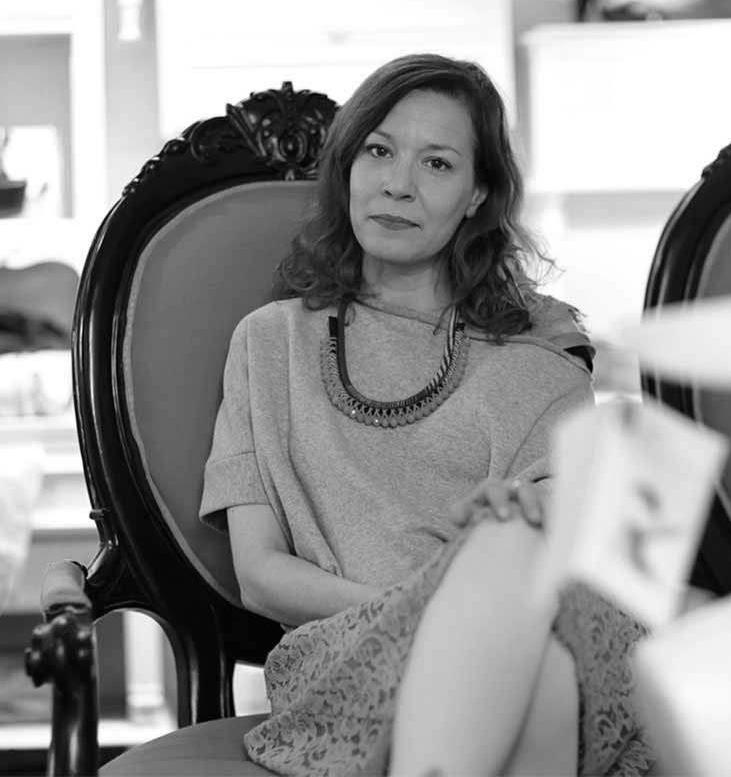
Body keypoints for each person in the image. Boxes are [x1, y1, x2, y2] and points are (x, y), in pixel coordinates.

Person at [199, 53, 653, 776]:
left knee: (535, 603)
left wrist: (511, 546)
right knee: (526, 664)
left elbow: (571, 554)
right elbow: (258, 574)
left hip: (536, 635)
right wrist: (434, 610)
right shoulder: (269, 342)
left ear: (478, 194)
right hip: (349, 652)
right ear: (348, 167)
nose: (397, 184)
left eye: (437, 164)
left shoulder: (544, 350)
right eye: (378, 151)